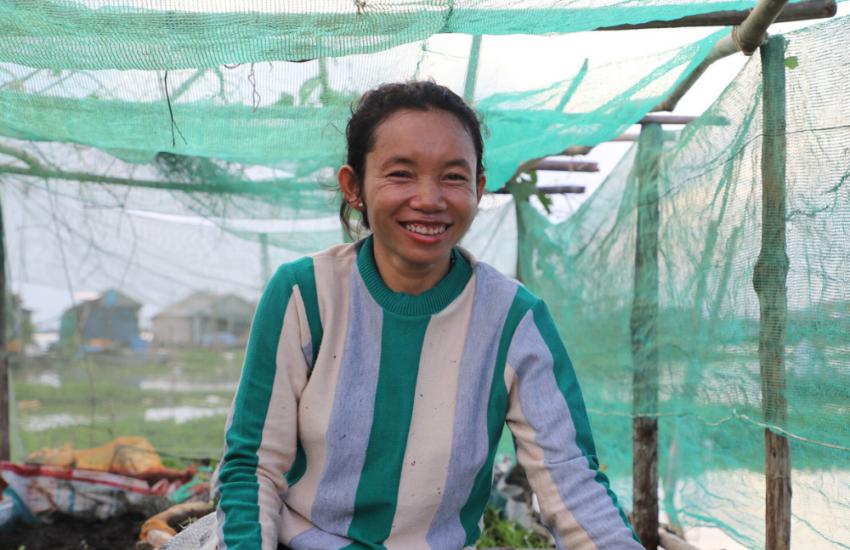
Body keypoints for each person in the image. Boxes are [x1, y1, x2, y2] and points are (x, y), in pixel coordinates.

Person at [177, 81, 642, 550]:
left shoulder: (513, 319)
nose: (429, 199)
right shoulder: (304, 293)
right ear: (354, 186)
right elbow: (251, 467)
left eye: (454, 177)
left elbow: (570, 479)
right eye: (401, 174)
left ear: (478, 191)